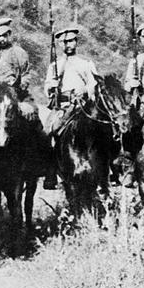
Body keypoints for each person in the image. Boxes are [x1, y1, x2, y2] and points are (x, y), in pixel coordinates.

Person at [42, 26, 100, 188]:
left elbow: (93, 84)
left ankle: (109, 172)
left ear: (76, 42)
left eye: (72, 41)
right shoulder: (55, 65)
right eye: (65, 42)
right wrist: (51, 86)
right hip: (63, 107)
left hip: (83, 107)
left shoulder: (86, 63)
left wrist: (86, 92)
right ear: (60, 44)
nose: (69, 44)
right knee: (47, 131)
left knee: (102, 131)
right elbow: (47, 88)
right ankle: (51, 173)